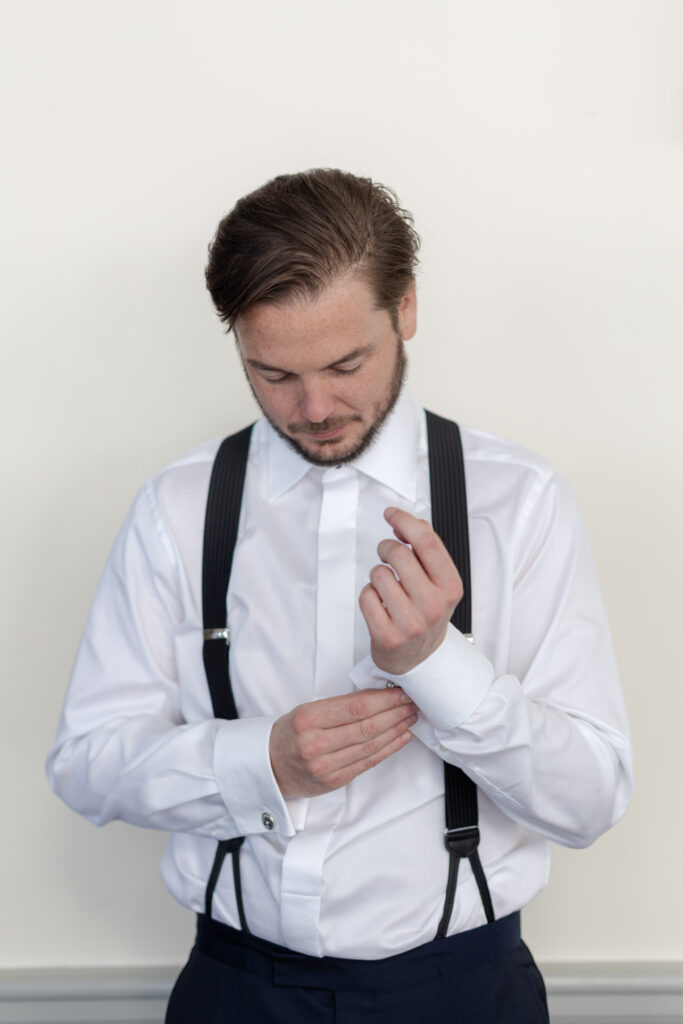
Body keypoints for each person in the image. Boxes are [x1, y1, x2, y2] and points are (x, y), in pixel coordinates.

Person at [47, 168, 633, 1023]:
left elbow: (589, 801)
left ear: (406, 309)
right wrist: (261, 763)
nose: (313, 407)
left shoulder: (520, 501)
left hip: (461, 993)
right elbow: (86, 763)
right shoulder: (177, 507)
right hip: (234, 990)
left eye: (344, 363)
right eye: (272, 373)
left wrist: (438, 665)